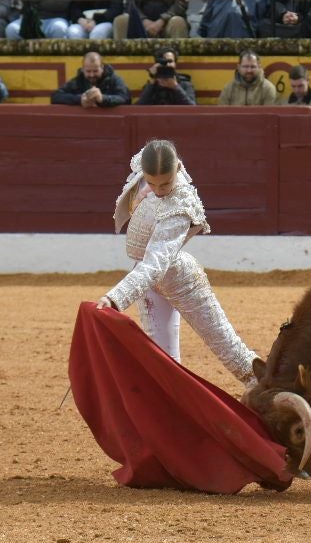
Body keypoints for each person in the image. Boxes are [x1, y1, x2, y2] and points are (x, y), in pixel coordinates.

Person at [97, 139, 259, 387]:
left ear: (179, 168)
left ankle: (268, 387)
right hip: (148, 281)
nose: (159, 190)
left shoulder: (179, 204)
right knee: (163, 360)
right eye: (151, 183)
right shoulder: (146, 162)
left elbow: (156, 264)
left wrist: (115, 298)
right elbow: (153, 154)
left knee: (227, 345)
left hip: (179, 278)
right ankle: (173, 412)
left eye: (166, 183)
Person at [52, 50, 131, 108]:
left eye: (95, 71)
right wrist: (80, 100)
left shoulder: (114, 79)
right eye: (88, 71)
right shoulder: (78, 81)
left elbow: (125, 98)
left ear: (102, 68)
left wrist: (102, 98)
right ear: (83, 69)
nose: (92, 75)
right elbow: (56, 97)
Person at [217, 50, 282, 105]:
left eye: (253, 67)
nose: (249, 70)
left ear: (259, 67)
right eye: (245, 66)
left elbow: (270, 117)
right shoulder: (228, 88)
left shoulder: (268, 89)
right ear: (238, 67)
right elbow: (222, 115)